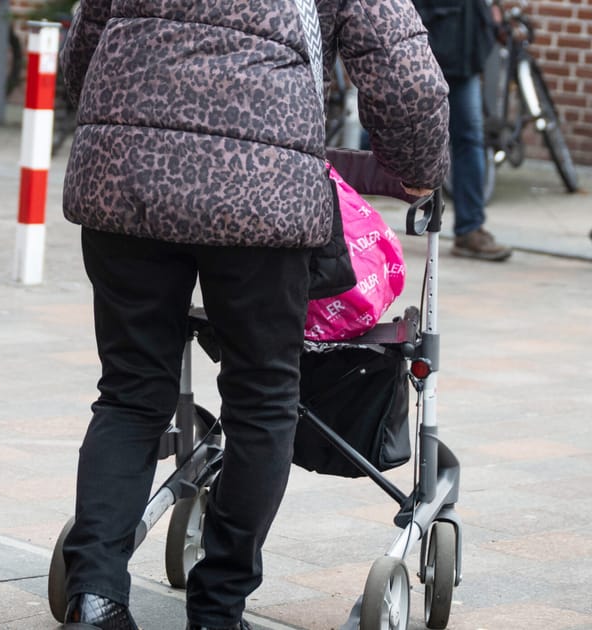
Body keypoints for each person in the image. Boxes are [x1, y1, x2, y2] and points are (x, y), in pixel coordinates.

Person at [55, 0, 451, 627]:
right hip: (260, 196)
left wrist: (125, 115)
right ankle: (217, 609)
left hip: (123, 179)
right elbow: (404, 76)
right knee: (262, 399)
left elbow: (82, 51)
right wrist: (423, 170)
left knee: (131, 391)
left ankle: (95, 595)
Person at [414, 0, 509, 261]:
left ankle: (470, 229)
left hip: (464, 46)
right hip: (426, 45)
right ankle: (350, 219)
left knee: (470, 136)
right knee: (393, 132)